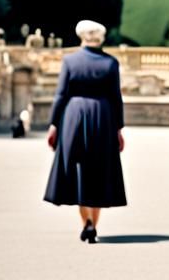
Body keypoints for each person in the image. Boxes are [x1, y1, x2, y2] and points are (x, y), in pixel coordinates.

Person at [43, 19, 127, 243]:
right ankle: (93, 224)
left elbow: (61, 95)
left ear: (81, 37)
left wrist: (54, 124)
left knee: (79, 169)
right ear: (101, 38)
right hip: (103, 116)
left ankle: (86, 222)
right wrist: (119, 128)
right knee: (99, 170)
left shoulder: (70, 61)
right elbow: (116, 98)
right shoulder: (111, 63)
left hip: (74, 115)